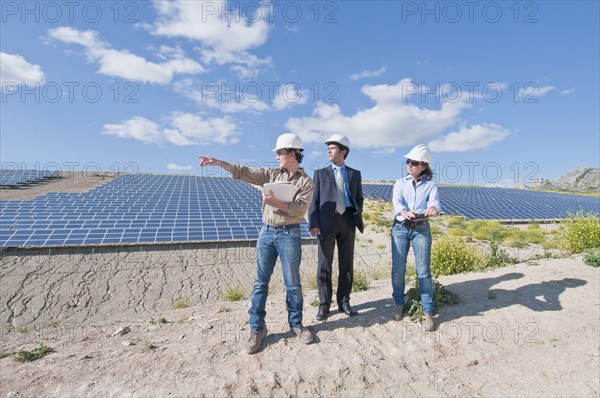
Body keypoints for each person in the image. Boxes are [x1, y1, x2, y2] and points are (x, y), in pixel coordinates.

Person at [198, 133, 314, 354]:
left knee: (293, 283)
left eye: (279, 152)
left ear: (292, 153)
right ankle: (257, 329)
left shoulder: (305, 182)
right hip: (267, 233)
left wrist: (273, 201)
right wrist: (219, 163)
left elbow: (298, 209)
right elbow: (244, 172)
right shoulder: (271, 174)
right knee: (260, 283)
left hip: (290, 234)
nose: (277, 156)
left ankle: (297, 325)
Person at [308, 134, 364, 321]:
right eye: (328, 148)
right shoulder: (320, 174)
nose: (328, 150)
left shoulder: (354, 174)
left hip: (348, 221)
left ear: (343, 152)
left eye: (332, 148)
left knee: (346, 264)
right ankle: (324, 305)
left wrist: (356, 213)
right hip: (325, 224)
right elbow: (314, 201)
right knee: (324, 265)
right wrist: (313, 222)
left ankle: (344, 302)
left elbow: (359, 198)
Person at [391, 144, 440, 332]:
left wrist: (433, 208)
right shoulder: (399, 183)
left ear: (423, 166)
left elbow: (434, 202)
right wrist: (403, 211)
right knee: (398, 269)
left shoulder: (430, 185)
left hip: (421, 229)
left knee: (423, 271)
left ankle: (427, 310)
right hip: (400, 228)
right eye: (408, 162)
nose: (409, 165)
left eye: (413, 163)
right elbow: (397, 203)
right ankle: (398, 303)